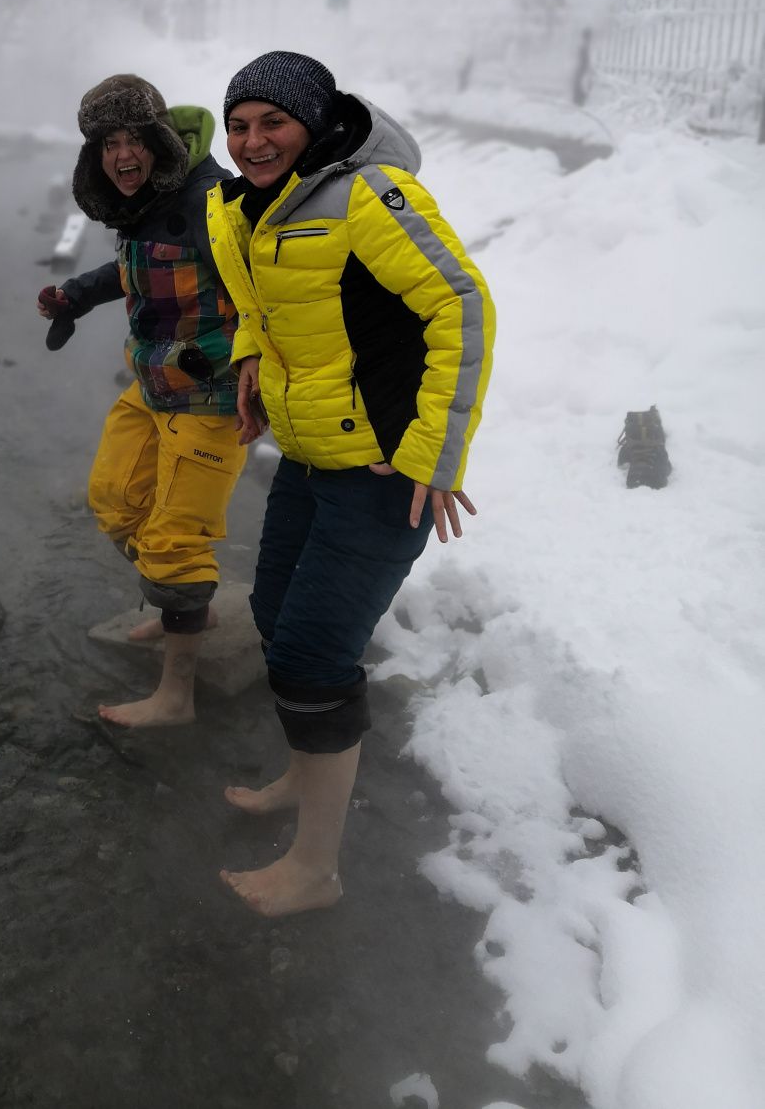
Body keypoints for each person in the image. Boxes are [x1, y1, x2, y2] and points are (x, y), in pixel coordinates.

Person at [205, 50, 495, 916]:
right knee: (271, 619)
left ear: (315, 123)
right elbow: (259, 298)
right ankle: (305, 776)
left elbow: (461, 305)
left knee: (311, 660)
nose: (253, 141)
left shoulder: (364, 197)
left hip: (382, 472)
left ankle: (315, 870)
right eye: (240, 124)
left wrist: (433, 455)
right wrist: (251, 356)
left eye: (273, 123)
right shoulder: (252, 208)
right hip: (307, 452)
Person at [38, 74, 246, 727]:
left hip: (210, 397)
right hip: (153, 385)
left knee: (173, 540)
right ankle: (188, 608)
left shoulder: (213, 202)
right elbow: (134, 267)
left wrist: (259, 367)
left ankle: (175, 696)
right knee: (113, 499)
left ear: (158, 139)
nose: (121, 157)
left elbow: (269, 291)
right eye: (106, 144)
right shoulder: (147, 202)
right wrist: (74, 294)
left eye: (132, 140)